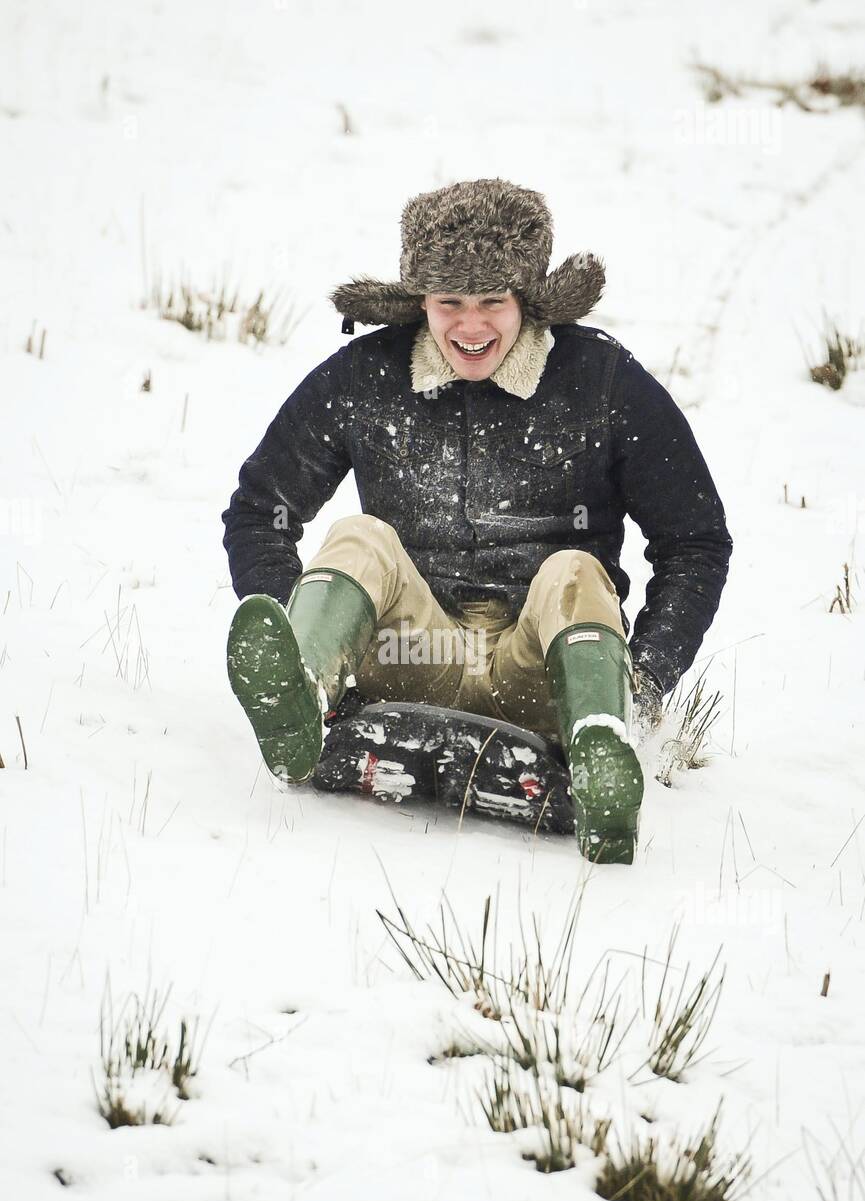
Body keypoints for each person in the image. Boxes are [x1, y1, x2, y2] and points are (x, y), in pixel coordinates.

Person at [221, 177, 732, 863]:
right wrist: (298, 616)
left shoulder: (603, 381)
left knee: (574, 573)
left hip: (545, 674)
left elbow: (693, 542)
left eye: (492, 301)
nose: (469, 326)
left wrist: (641, 678)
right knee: (360, 537)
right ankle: (301, 689)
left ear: (527, 300)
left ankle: (599, 740)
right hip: (411, 655)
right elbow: (260, 511)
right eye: (448, 302)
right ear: (418, 304)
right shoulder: (364, 377)